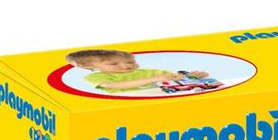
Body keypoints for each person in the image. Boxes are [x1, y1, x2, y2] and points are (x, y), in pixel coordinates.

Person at [65, 49, 209, 93]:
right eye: (113, 64)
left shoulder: (152, 71)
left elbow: (177, 79)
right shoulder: (97, 77)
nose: (125, 66)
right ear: (90, 67)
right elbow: (115, 86)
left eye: (131, 62)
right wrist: (154, 79)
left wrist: (193, 75)